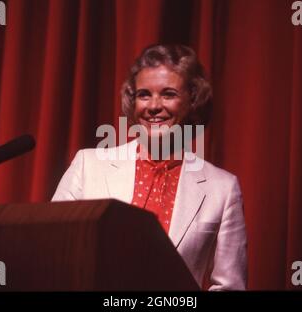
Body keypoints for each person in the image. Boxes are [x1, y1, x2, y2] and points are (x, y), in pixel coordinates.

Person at [52, 44, 247, 291]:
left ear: (193, 100)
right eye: (144, 94)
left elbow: (230, 287)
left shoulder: (223, 188)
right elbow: (54, 252)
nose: (153, 106)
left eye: (168, 94)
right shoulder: (88, 166)